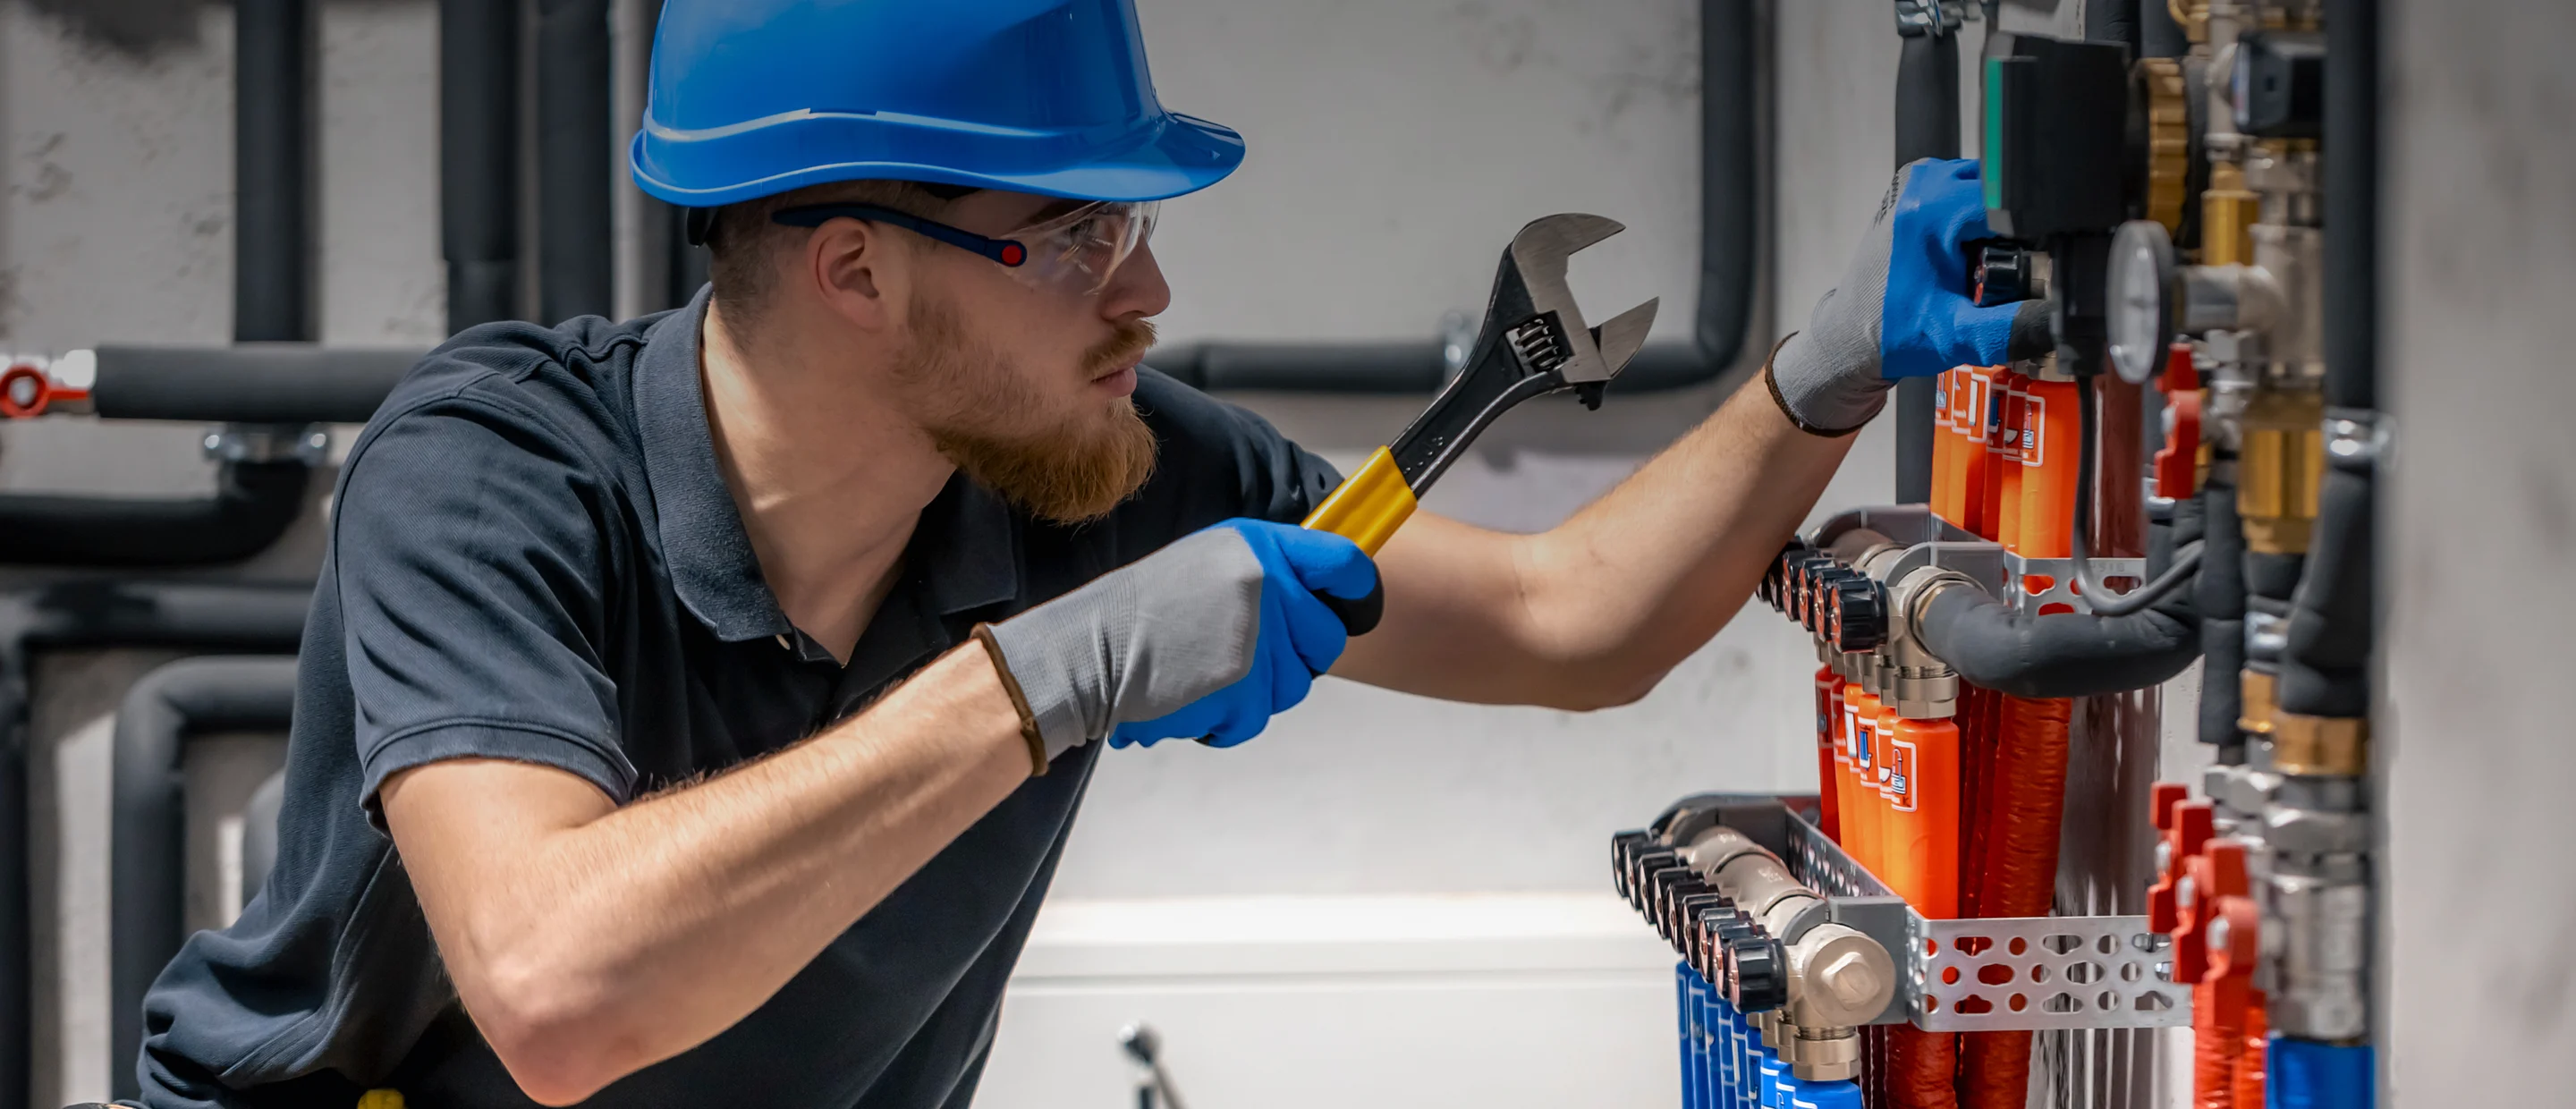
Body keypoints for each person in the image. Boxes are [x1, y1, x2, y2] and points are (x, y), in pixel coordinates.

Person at [126, 1, 2045, 1105]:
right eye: (1075, 230)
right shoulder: (489, 472)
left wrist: (1822, 364)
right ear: (855, 267)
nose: (1150, 286)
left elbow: (1569, 616)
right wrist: (1048, 678)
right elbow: (555, 987)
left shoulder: (1095, 467)